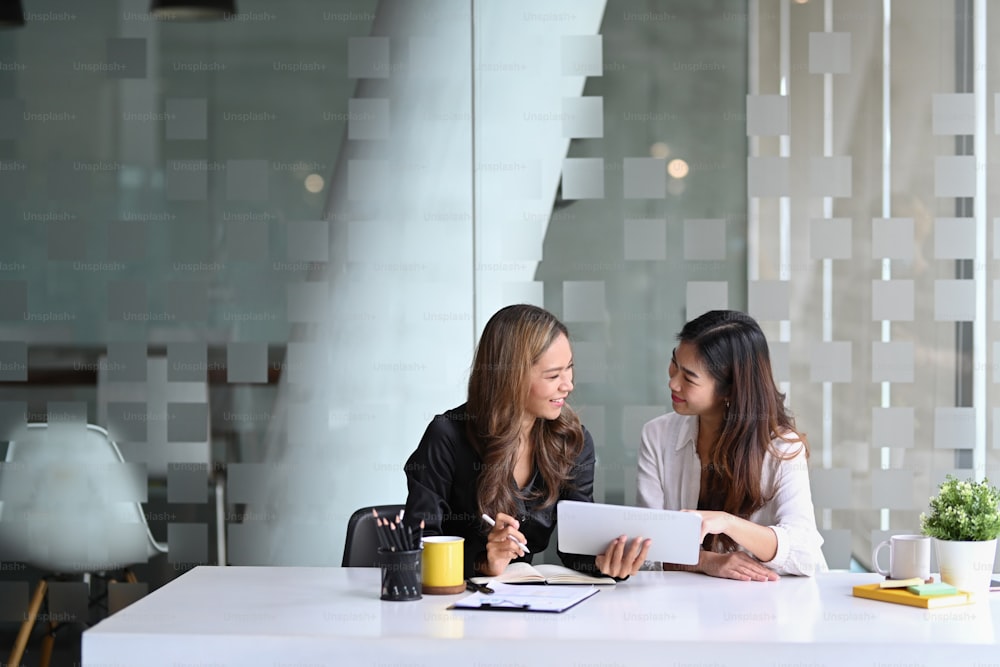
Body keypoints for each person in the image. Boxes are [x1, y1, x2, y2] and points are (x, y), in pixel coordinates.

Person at [404, 304, 651, 579]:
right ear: (510, 378)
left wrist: (606, 563)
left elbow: (576, 550)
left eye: (569, 369)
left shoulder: (571, 442)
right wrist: (483, 562)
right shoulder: (447, 437)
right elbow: (417, 547)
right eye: (553, 375)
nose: (568, 384)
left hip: (526, 603)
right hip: (449, 605)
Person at [636, 310, 827, 580]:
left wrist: (728, 522)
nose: (673, 382)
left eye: (689, 378)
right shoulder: (657, 435)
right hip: (679, 606)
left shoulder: (781, 448)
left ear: (729, 390)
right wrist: (707, 561)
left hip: (766, 607)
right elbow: (646, 548)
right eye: (674, 363)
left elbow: (805, 554)